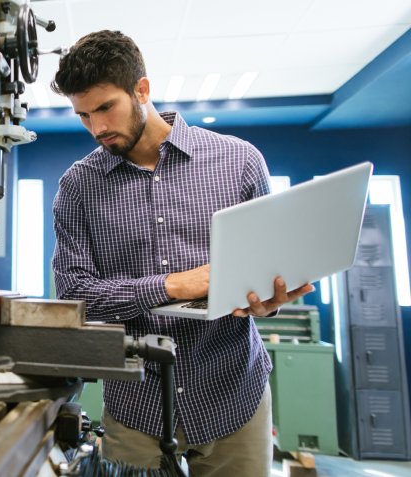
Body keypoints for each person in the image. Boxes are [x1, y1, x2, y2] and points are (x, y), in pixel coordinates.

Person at [50, 30, 314, 476]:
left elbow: (270, 270)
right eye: (82, 116)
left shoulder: (240, 162)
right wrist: (171, 286)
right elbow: (75, 294)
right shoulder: (78, 186)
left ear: (142, 89)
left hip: (233, 393)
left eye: (104, 108)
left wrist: (269, 301)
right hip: (137, 404)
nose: (96, 128)